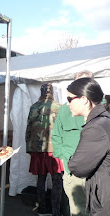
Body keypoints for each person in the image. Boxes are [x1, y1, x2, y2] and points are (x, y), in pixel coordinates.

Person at [52, 70, 94, 216]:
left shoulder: (104, 106)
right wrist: (65, 159)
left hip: (99, 173)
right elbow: (56, 135)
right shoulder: (65, 109)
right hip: (73, 172)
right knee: (78, 211)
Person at [67, 78, 110, 216]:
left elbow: (78, 166)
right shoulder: (103, 120)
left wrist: (70, 160)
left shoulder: (96, 127)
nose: (68, 104)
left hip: (104, 198)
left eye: (70, 98)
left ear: (84, 100)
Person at [25, 83, 64, 216]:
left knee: (41, 179)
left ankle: (42, 209)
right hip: (54, 150)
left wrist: (29, 148)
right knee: (57, 180)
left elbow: (28, 129)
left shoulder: (33, 107)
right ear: (51, 92)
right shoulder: (59, 107)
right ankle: (56, 212)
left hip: (37, 149)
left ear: (41, 92)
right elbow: (64, 129)